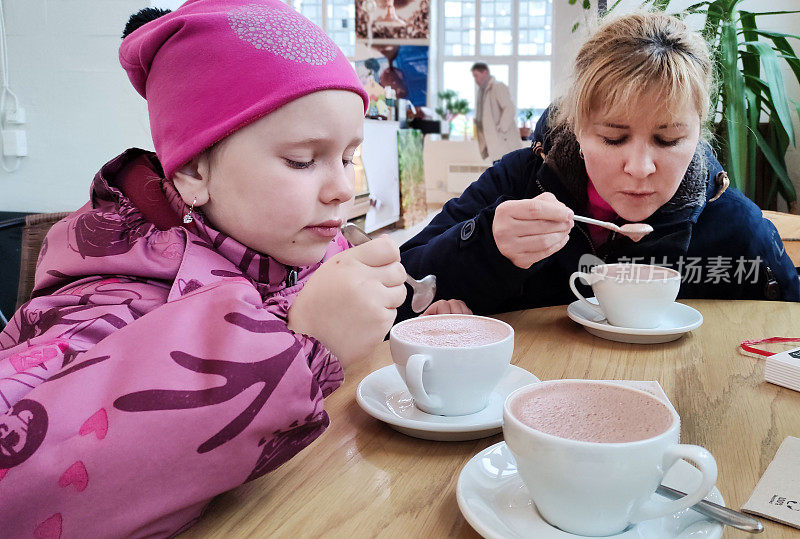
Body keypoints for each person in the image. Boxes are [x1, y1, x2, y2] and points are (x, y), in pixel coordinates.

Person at [0, 1, 464, 536]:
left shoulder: (292, 249)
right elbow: (32, 479)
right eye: (301, 160)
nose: (342, 188)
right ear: (195, 172)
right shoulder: (109, 297)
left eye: (348, 156)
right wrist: (298, 347)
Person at [400, 12, 799, 319]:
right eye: (613, 138)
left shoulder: (736, 228)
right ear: (577, 127)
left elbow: (786, 332)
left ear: (698, 133)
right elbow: (399, 290)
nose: (640, 168)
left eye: (669, 139)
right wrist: (487, 246)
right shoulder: (520, 182)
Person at [471, 63, 520, 162]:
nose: (475, 79)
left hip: (504, 144)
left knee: (506, 174)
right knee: (499, 174)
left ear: (485, 72)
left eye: (476, 75)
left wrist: (501, 128)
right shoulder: (483, 92)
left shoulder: (497, 86)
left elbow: (509, 108)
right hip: (495, 146)